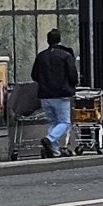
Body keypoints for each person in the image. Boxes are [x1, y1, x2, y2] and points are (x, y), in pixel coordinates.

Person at [32, 27, 81, 156]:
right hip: (62, 94)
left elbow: (34, 75)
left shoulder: (41, 56)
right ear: (60, 40)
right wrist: (72, 84)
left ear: (48, 41)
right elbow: (73, 75)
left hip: (45, 95)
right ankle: (50, 139)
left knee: (52, 122)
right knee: (64, 121)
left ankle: (54, 151)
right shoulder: (66, 55)